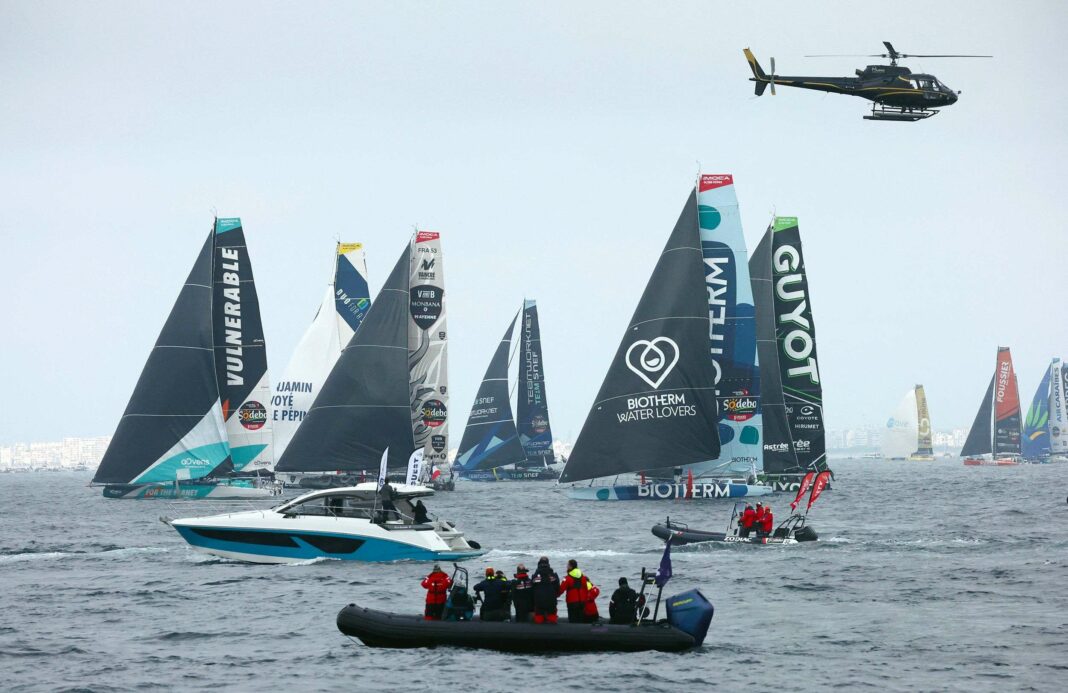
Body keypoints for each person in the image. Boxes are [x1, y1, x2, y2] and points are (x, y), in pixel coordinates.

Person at [559, 559, 593, 624]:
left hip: (572, 602)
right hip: (582, 602)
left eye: (568, 565)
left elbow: (561, 590)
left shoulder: (567, 578)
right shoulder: (583, 577)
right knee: (581, 620)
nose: (566, 566)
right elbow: (586, 589)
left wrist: (553, 595)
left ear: (571, 566)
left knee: (573, 620)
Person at [531, 556, 560, 624]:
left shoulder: (535, 576)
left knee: (539, 620)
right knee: (552, 619)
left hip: (539, 600)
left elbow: (532, 589)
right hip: (551, 600)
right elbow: (557, 588)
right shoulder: (553, 575)